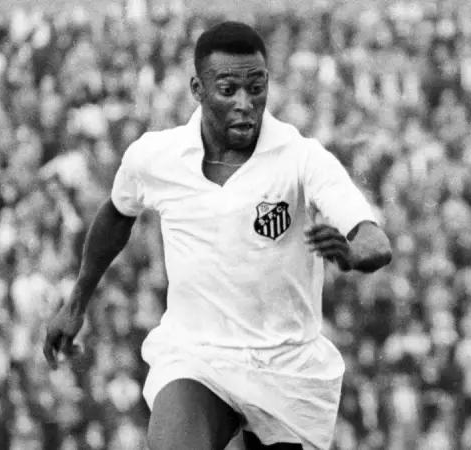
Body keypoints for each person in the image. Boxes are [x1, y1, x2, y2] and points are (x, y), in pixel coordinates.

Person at [43, 21, 393, 450]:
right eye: (228, 90)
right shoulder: (156, 157)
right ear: (198, 88)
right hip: (198, 357)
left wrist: (352, 254)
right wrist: (76, 303)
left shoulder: (302, 160)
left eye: (257, 88)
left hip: (287, 369)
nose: (245, 103)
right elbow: (118, 214)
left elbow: (375, 241)